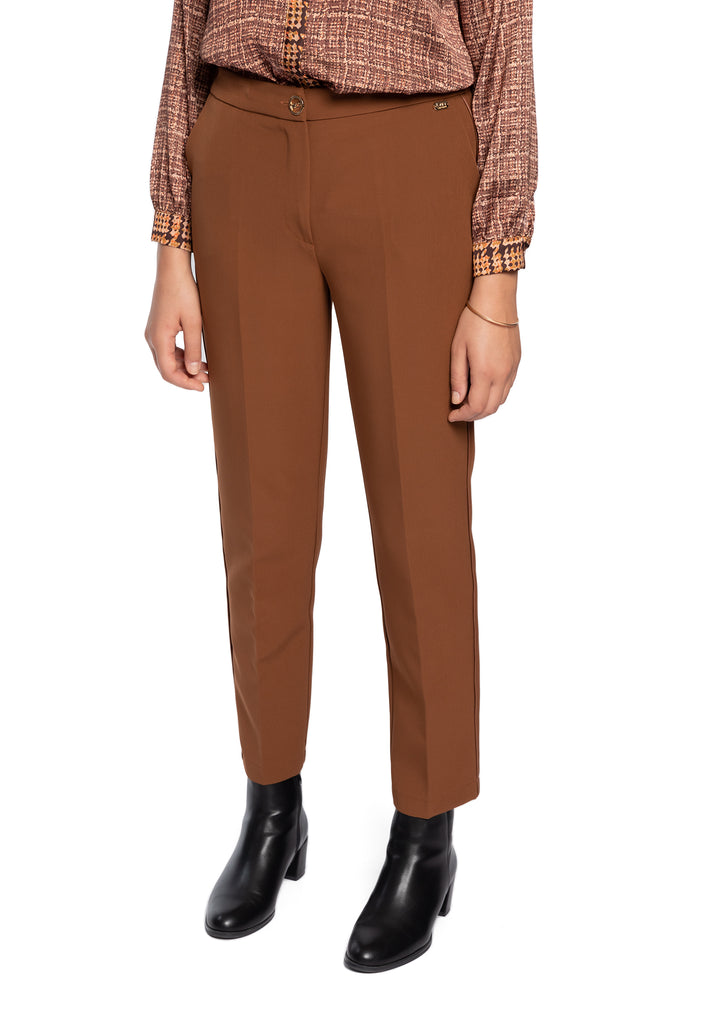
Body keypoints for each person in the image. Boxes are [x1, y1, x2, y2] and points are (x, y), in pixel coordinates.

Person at [144, 0, 537, 973]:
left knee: (422, 523)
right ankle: (272, 805)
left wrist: (496, 278)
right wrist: (170, 242)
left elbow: (502, 42)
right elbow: (188, 25)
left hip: (408, 147)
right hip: (239, 147)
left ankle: (427, 833)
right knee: (260, 519)